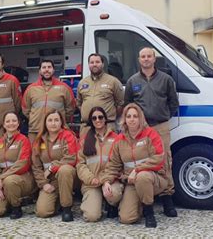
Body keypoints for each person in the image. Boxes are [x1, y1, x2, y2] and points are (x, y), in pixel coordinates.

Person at [124, 47, 179, 217]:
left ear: (154, 59)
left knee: (165, 160)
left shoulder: (166, 79)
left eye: (149, 56)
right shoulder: (133, 81)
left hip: (160, 126)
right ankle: (145, 195)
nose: (146, 59)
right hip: (140, 129)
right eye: (143, 57)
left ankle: (167, 199)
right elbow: (128, 104)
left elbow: (173, 102)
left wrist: (164, 116)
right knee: (142, 159)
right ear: (139, 60)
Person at [101, 103, 168, 228]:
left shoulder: (151, 134)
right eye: (129, 116)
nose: (132, 119)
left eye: (135, 116)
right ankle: (134, 205)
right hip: (131, 182)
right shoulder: (119, 140)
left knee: (142, 177)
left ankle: (149, 212)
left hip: (153, 179)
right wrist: (106, 181)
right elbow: (113, 164)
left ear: (140, 118)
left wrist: (137, 170)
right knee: (126, 218)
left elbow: (159, 158)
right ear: (124, 119)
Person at [31, 109, 78, 222]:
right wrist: (43, 184)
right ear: (45, 123)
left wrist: (53, 166)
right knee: (42, 212)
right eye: (50, 120)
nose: (53, 123)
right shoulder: (39, 140)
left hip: (68, 177)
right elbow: (36, 166)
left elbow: (71, 158)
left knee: (64, 170)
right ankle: (57, 202)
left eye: (56, 120)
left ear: (61, 122)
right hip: (50, 181)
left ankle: (66, 208)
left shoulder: (68, 136)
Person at [0, 112, 35, 219]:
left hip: (21, 178)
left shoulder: (24, 140)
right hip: (2, 182)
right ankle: (8, 201)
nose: (11, 123)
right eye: (7, 121)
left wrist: (2, 178)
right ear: (3, 125)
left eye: (14, 121)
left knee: (10, 181)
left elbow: (23, 163)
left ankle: (16, 207)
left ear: (18, 124)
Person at [76, 106, 120, 222]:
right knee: (92, 217)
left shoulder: (116, 138)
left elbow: (119, 163)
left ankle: (112, 204)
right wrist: (91, 179)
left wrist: (106, 180)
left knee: (114, 194)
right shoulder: (85, 140)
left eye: (100, 117)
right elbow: (80, 164)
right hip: (92, 182)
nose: (97, 120)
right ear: (91, 121)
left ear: (105, 119)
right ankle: (95, 202)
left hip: (110, 181)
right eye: (94, 118)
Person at [22, 59, 76, 142]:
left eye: (49, 67)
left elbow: (70, 107)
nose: (47, 70)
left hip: (58, 130)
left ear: (53, 70)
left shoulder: (64, 87)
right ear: (40, 71)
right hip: (36, 130)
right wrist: (35, 119)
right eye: (44, 67)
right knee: (35, 154)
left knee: (57, 154)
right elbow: (25, 109)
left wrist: (61, 121)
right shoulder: (31, 89)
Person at [77, 53, 124, 136]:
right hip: (86, 128)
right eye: (92, 62)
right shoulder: (82, 83)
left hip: (107, 126)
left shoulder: (113, 81)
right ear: (88, 64)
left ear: (102, 64)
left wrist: (108, 117)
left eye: (97, 62)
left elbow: (120, 104)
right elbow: (79, 103)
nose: (94, 64)